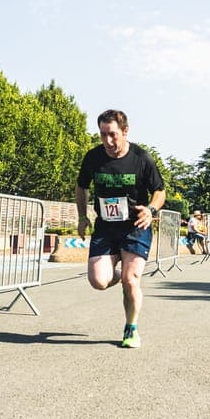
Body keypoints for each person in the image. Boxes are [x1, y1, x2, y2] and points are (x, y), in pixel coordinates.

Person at [76, 109, 166, 348]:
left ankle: (131, 328)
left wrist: (151, 210)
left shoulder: (141, 158)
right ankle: (117, 274)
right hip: (106, 228)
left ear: (125, 132)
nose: (107, 141)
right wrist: (82, 216)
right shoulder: (93, 157)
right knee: (99, 281)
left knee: (131, 279)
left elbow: (160, 191)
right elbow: (81, 187)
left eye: (112, 134)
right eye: (102, 134)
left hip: (135, 226)